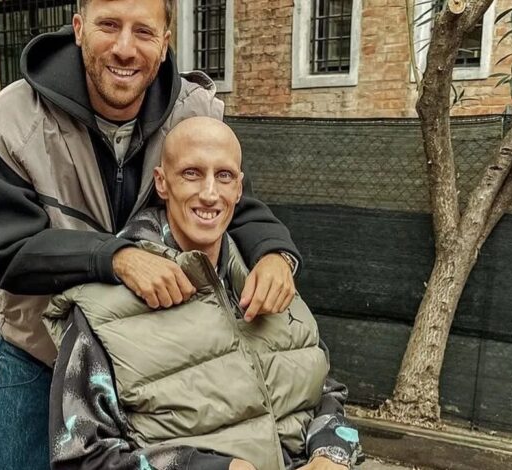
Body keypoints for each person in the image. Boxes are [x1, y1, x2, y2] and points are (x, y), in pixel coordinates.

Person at [0, 0, 302, 468]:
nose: (125, 48)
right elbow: (10, 252)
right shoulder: (12, 120)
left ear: (165, 43)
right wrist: (117, 256)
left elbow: (231, 203)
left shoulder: (194, 111)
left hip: (154, 358)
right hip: (41, 352)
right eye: (109, 25)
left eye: (144, 32)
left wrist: (275, 253)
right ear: (79, 29)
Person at [44, 117, 364, 470]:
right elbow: (81, 456)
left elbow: (323, 392)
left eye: (224, 176)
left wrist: (331, 452)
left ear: (239, 189)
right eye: (191, 173)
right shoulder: (104, 306)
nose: (210, 193)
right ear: (162, 183)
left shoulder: (270, 276)